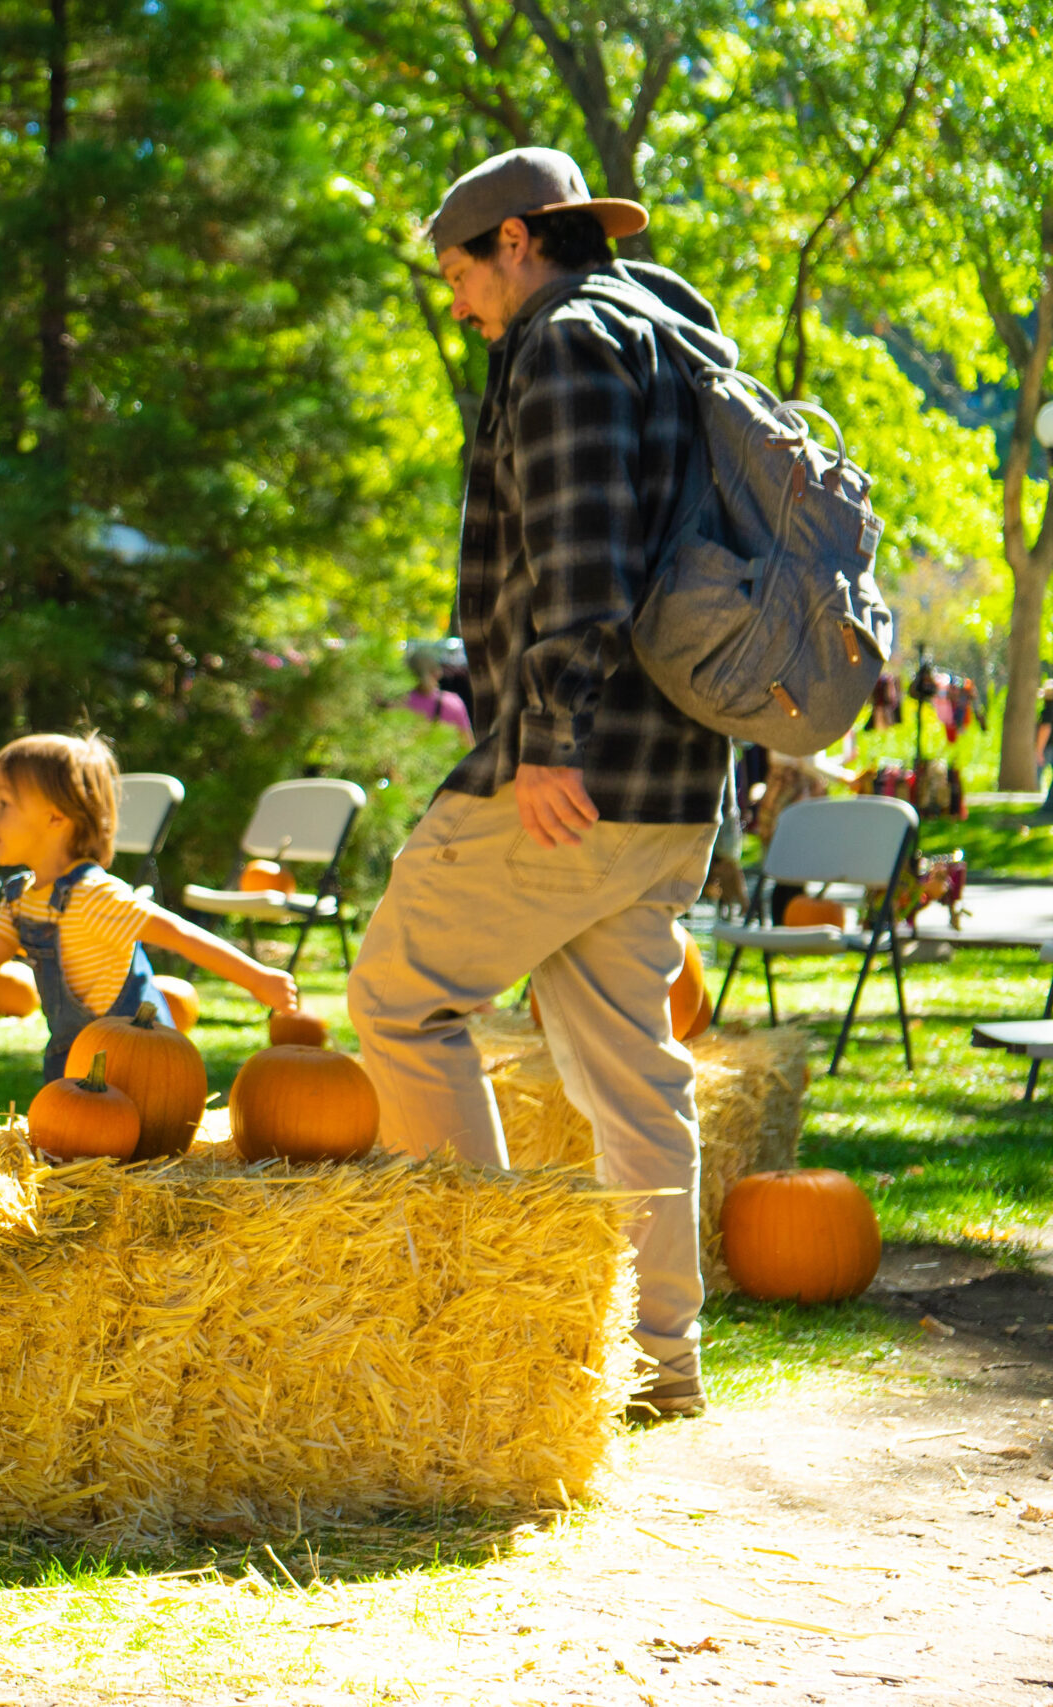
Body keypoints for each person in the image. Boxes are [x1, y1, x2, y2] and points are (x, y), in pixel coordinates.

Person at [345, 147, 738, 1421]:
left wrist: (549, 737)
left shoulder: (565, 342)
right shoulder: (676, 338)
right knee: (633, 1075)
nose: (457, 303)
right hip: (678, 776)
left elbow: (581, 554)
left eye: (458, 272)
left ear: (516, 241)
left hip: (582, 768)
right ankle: (658, 1362)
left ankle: (491, 1324)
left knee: (399, 999)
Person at [0, 732, 298, 1079]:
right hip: (71, 1058)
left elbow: (180, 934)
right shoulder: (20, 897)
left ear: (56, 816)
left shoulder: (95, 894)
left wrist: (258, 978)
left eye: (4, 803)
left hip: (141, 1064)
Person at [400, 641, 473, 741]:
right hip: (447, 756)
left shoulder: (399, 703)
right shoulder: (453, 703)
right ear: (437, 672)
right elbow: (467, 745)